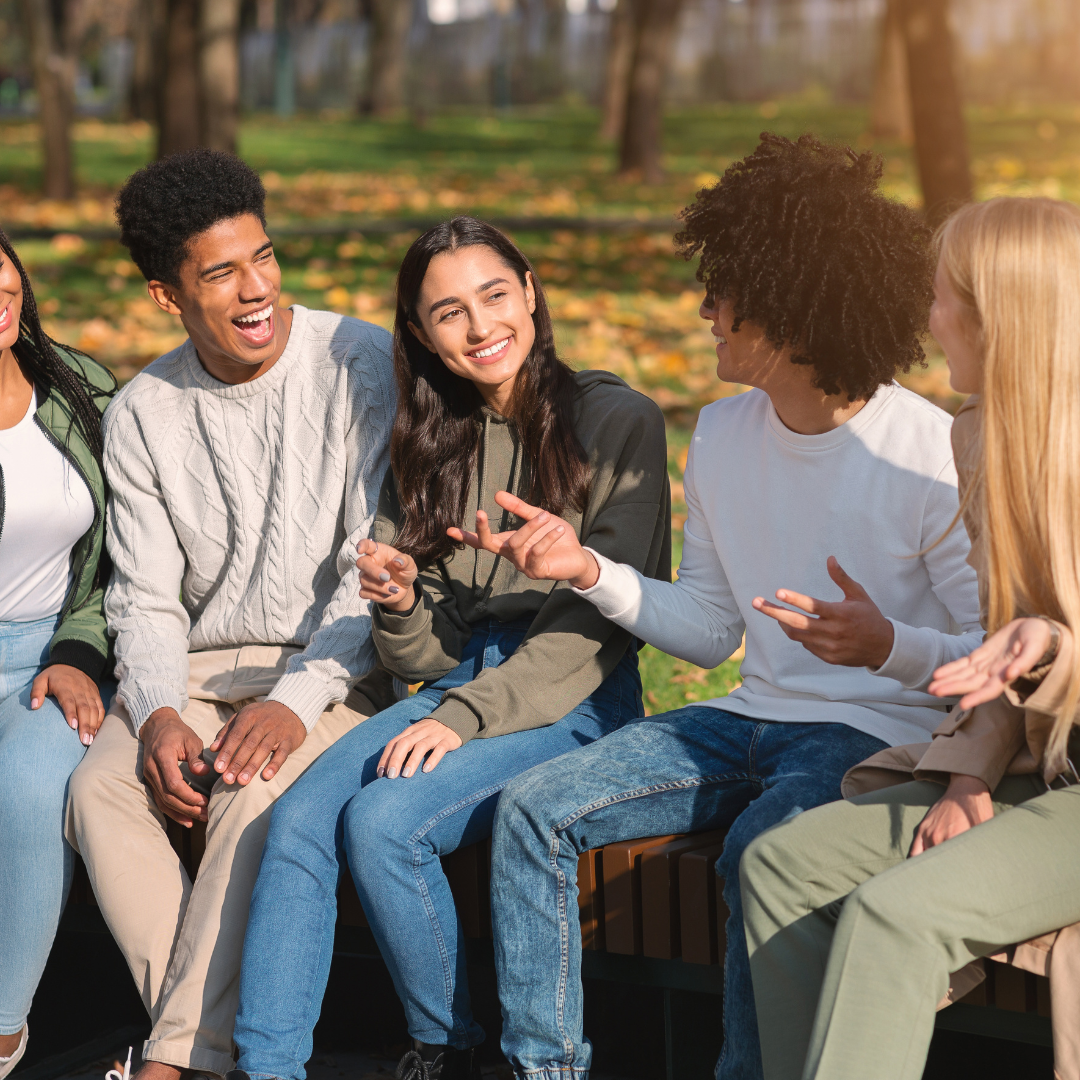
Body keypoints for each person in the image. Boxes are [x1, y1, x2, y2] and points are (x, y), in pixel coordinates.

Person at [472, 134, 985, 1080]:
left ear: (788, 311)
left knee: (761, 850)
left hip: (868, 736)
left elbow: (984, 657)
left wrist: (886, 647)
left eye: (725, 293)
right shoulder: (719, 433)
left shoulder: (925, 453)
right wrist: (585, 567)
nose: (704, 310)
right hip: (746, 720)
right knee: (530, 811)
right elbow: (710, 631)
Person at [228, 216, 670, 1080]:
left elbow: (601, 624)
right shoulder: (432, 438)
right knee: (296, 825)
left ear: (531, 293)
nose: (479, 327)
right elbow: (429, 659)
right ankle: (264, 1067)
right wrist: (396, 602)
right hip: (464, 688)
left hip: (575, 694)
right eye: (449, 313)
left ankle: (448, 1050)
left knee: (387, 823)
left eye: (495, 296)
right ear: (423, 336)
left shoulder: (618, 420)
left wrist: (464, 716)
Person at [64, 149, 398, 1080]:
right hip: (204, 673)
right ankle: (202, 1044)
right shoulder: (141, 411)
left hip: (338, 663)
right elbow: (145, 596)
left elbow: (365, 574)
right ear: (167, 296)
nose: (257, 290)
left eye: (264, 256)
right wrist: (161, 709)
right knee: (99, 788)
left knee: (250, 794)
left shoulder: (358, 361)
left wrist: (297, 701)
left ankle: (174, 1065)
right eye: (220, 273)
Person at [740, 196, 1080, 1080]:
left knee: (896, 912)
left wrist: (1048, 645)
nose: (925, 321)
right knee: (780, 864)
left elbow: (1038, 638)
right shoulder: (981, 435)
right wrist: (968, 771)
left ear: (995, 312)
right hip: (1035, 767)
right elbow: (1006, 638)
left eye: (937, 298)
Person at [0, 227, 116, 1080]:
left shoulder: (81, 389)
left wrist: (83, 648)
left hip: (50, 654)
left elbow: (131, 554)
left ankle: (3, 1031)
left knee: (34, 789)